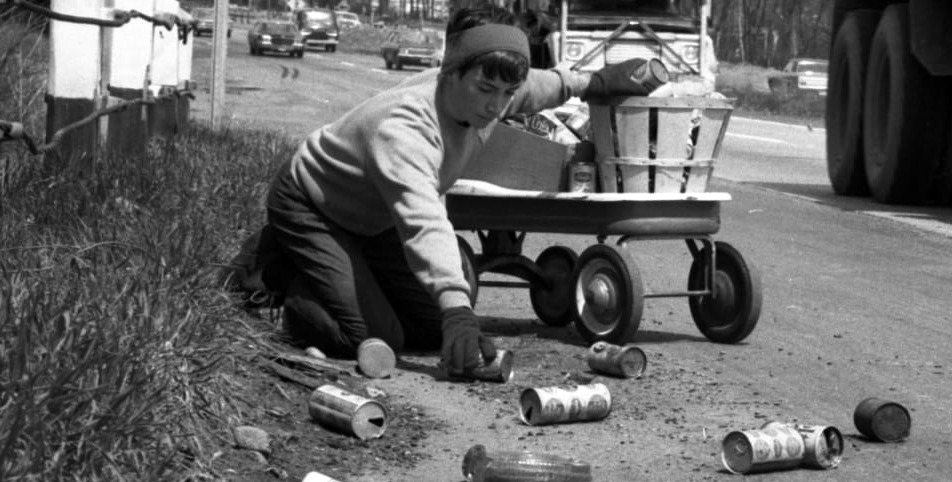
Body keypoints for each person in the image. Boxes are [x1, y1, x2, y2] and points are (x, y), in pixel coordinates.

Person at [238, 3, 655, 377]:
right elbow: (424, 222)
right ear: (450, 72)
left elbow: (539, 86)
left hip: (374, 216)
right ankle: (275, 285)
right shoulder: (405, 129)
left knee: (429, 328)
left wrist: (595, 82)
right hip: (313, 205)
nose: (496, 106)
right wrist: (458, 308)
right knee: (371, 335)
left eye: (506, 93)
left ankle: (339, 272)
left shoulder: (488, 88)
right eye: (487, 90)